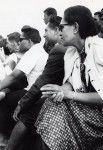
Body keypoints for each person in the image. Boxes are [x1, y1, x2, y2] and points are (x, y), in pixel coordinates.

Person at [34, 5, 103, 150]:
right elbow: (71, 82)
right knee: (52, 103)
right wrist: (60, 89)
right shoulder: (71, 53)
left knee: (55, 110)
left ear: (76, 27)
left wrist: (69, 94)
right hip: (88, 111)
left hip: (99, 116)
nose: (59, 32)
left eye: (61, 27)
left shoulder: (99, 50)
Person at [5, 16, 67, 150]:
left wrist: (22, 103)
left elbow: (42, 80)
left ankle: (6, 145)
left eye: (46, 30)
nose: (43, 34)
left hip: (49, 94)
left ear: (57, 30)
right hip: (55, 92)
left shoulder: (58, 50)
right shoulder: (63, 49)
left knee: (23, 116)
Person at [0, 25, 47, 147]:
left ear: (29, 41)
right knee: (10, 93)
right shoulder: (40, 51)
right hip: (38, 92)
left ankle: (3, 138)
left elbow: (14, 76)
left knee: (4, 100)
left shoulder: (32, 52)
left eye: (21, 40)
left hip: (33, 93)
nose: (18, 43)